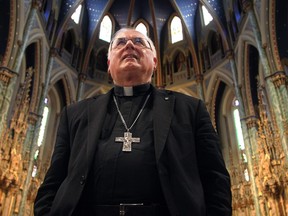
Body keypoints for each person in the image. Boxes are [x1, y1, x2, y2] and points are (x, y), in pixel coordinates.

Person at [34, 27, 232, 216]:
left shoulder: (190, 109)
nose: (129, 45)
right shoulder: (75, 114)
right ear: (109, 63)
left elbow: (216, 178)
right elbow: (53, 182)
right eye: (120, 43)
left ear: (154, 61)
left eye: (139, 42)